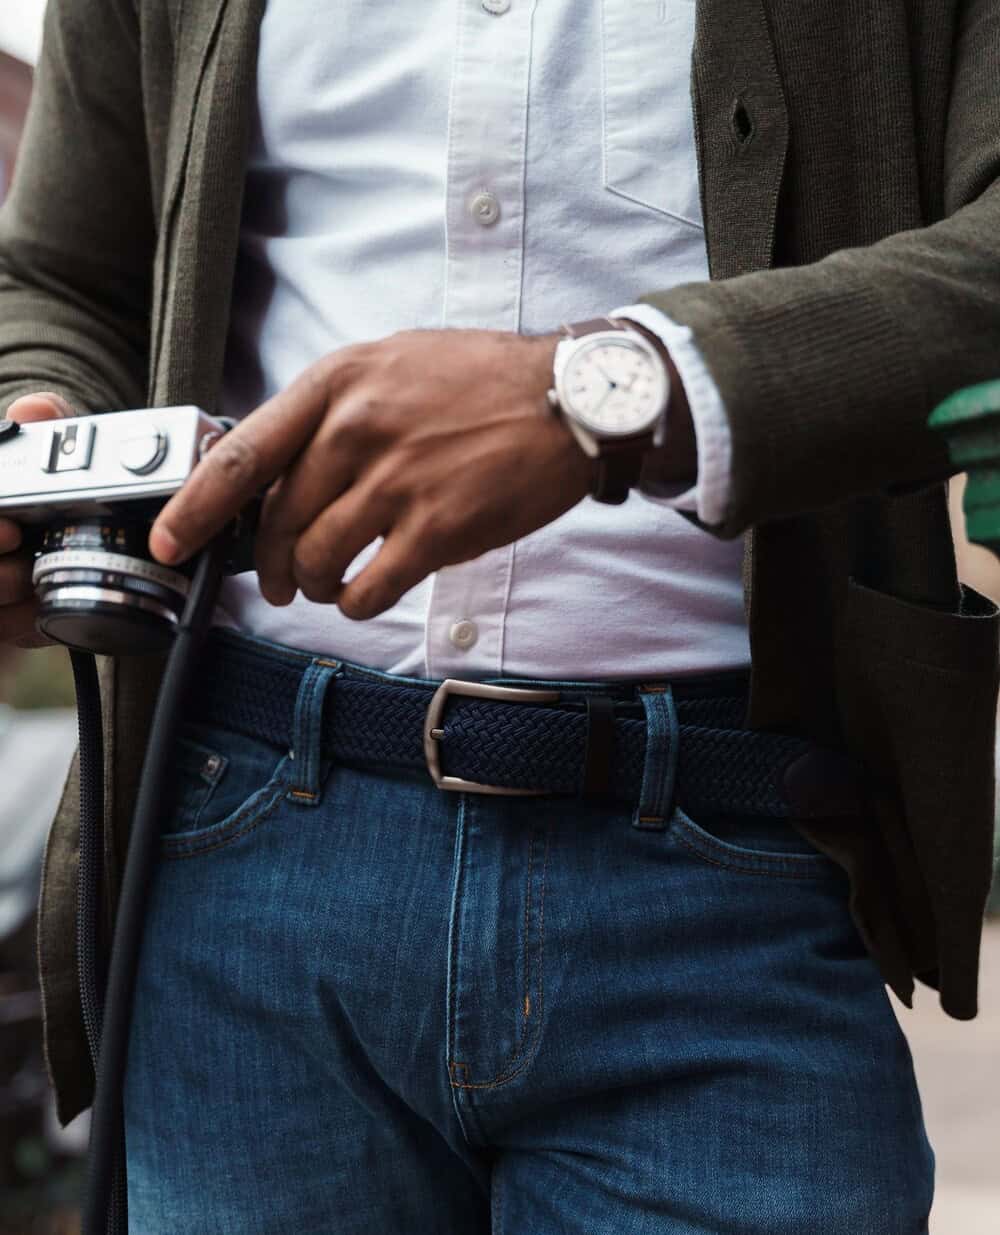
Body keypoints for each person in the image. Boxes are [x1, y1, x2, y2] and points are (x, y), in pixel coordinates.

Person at [1, 1, 998, 1231]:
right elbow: (56, 273)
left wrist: (611, 390)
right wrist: (44, 430)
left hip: (725, 869)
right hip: (235, 865)